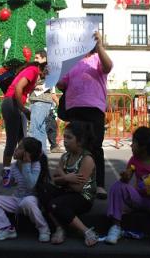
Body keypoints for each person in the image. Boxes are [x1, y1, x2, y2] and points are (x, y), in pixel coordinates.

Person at [57, 31, 113, 200]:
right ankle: (76, 182)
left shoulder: (97, 58)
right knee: (76, 147)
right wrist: (53, 72)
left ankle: (100, 185)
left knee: (95, 146)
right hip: (75, 108)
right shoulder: (71, 63)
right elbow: (61, 84)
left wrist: (100, 47)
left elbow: (108, 66)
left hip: (94, 108)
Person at [105, 126, 150, 246]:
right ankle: (115, 227)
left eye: (133, 143)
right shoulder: (134, 160)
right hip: (138, 199)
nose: (131, 145)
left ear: (143, 147)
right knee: (118, 186)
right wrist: (125, 177)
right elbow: (126, 181)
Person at [38, 121, 99, 247]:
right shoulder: (65, 157)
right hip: (67, 192)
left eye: (69, 137)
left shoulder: (87, 159)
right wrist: (67, 178)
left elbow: (78, 188)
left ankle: (86, 231)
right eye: (64, 137)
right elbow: (55, 180)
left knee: (55, 204)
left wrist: (63, 176)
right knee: (43, 189)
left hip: (83, 198)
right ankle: (60, 228)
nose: (64, 140)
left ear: (80, 141)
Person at [0, 137, 51, 242]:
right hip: (17, 199)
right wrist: (5, 179)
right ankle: (6, 229)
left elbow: (30, 184)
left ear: (27, 153)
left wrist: (26, 165)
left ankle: (44, 229)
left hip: (32, 200)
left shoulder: (36, 165)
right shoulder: (13, 166)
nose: (16, 150)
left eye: (20, 148)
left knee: (27, 202)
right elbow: (7, 184)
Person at [1, 61, 47, 187]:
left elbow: (22, 87)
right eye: (47, 72)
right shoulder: (33, 70)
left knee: (22, 141)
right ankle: (6, 176)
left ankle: (19, 174)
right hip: (12, 104)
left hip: (13, 104)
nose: (46, 75)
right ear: (42, 68)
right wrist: (23, 109)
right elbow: (18, 88)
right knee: (12, 141)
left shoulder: (32, 71)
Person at [28, 50, 59, 155]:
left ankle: (34, 154)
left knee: (34, 128)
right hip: (41, 101)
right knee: (40, 129)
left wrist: (35, 86)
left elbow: (51, 80)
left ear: (44, 58)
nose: (35, 59)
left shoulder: (46, 68)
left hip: (41, 101)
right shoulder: (42, 68)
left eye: (37, 58)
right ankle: (42, 154)